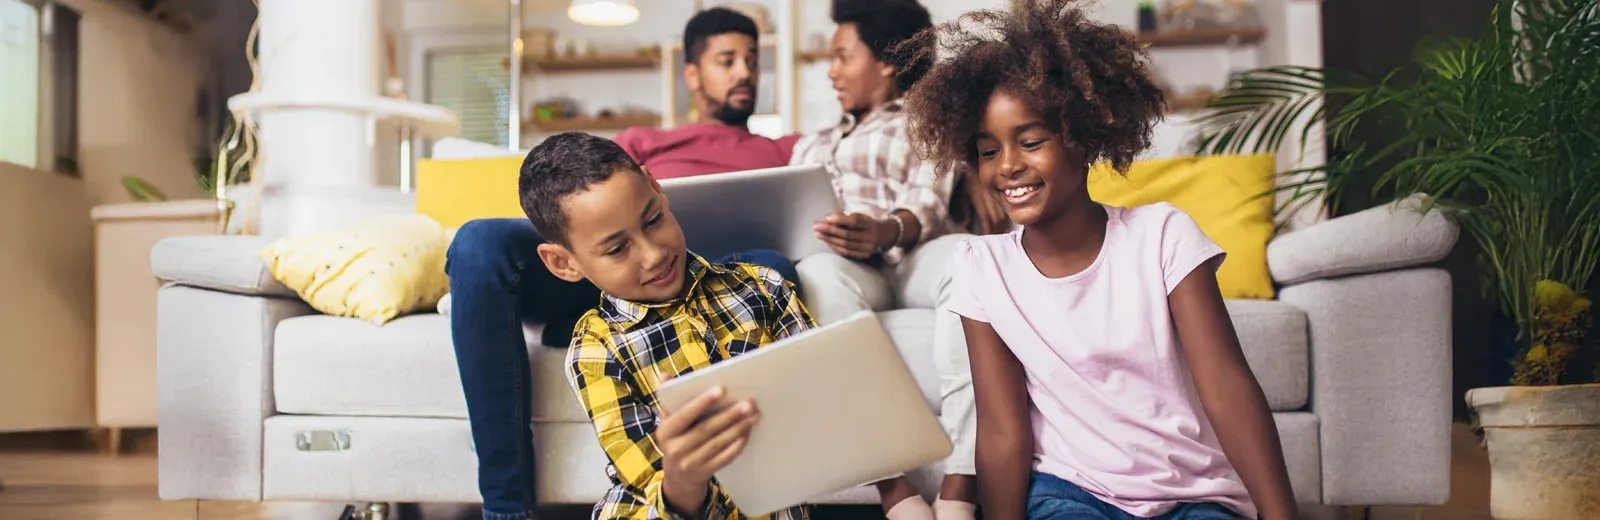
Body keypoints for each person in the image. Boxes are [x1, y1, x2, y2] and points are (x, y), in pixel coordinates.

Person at [900, 1, 1299, 519]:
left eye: (1031, 141)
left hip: (1191, 495)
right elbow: (1002, 430)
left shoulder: (1162, 237)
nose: (1009, 167)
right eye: (988, 151)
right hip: (1069, 492)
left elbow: (1227, 387)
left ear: (1082, 139)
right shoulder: (981, 266)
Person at [445, 9, 801, 520]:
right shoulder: (642, 143)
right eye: (728, 60)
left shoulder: (781, 149)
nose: (745, 71)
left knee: (774, 264)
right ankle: (506, 509)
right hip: (597, 267)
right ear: (693, 73)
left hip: (713, 272)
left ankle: (581, 323)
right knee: (478, 241)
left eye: (752, 60)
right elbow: (569, 205)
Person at [522, 132, 815, 520]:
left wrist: (897, 493)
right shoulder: (595, 349)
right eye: (617, 249)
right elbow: (652, 492)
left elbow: (831, 403)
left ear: (656, 188)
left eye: (654, 219)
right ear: (564, 263)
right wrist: (684, 479)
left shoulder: (764, 287)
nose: (654, 254)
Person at [787, 2, 999, 519]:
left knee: (968, 256)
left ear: (885, 61)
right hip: (845, 268)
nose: (831, 71)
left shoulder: (926, 122)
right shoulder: (810, 144)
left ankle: (962, 482)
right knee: (816, 277)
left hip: (913, 254)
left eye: (842, 56)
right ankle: (892, 486)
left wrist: (884, 229)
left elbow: (928, 199)